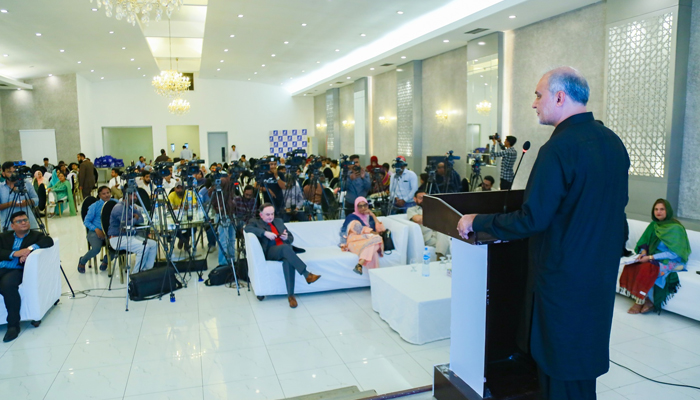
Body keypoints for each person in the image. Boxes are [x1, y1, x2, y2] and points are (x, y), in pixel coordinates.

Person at [457, 67, 629, 400]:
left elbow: (531, 219)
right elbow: (614, 213)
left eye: (538, 95)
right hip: (600, 278)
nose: (534, 103)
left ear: (560, 97)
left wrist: (478, 221)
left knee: (558, 371)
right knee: (582, 367)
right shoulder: (612, 142)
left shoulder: (559, 149)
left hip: (562, 281)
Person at [619, 199, 691, 315]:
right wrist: (643, 253)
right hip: (654, 257)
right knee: (633, 265)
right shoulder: (654, 225)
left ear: (668, 210)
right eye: (656, 209)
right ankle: (647, 300)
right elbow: (645, 242)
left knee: (648, 269)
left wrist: (650, 257)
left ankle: (640, 301)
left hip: (673, 261)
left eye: (662, 209)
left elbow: (675, 253)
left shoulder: (675, 228)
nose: (659, 212)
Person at [245, 204, 321, 308]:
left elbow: (290, 238)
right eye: (267, 214)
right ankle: (306, 274)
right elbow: (247, 228)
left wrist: (286, 238)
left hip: (286, 250)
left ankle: (291, 296)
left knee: (288, 259)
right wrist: (265, 233)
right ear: (261, 215)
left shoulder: (279, 221)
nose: (270, 217)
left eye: (272, 214)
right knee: (286, 249)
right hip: (270, 251)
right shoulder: (255, 222)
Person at [0, 211, 54, 342]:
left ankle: (13, 325)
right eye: (19, 221)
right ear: (12, 226)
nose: (23, 222)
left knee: (7, 285)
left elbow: (49, 241)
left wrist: (29, 249)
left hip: (17, 270)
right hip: (2, 267)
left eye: (25, 220)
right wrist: (15, 253)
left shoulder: (36, 235)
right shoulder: (4, 236)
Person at [108, 190, 158, 273]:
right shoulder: (119, 208)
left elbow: (141, 219)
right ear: (126, 196)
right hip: (118, 238)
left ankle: (146, 270)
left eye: (136, 196)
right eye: (133, 196)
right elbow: (126, 225)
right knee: (143, 247)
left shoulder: (131, 206)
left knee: (153, 244)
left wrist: (133, 219)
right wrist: (135, 218)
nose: (135, 198)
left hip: (130, 235)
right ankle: (136, 274)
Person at [339, 196, 385, 275]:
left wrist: (372, 215)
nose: (363, 208)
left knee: (376, 243)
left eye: (365, 205)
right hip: (354, 240)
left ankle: (360, 264)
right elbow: (358, 229)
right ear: (356, 207)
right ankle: (377, 277)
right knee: (377, 240)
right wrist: (371, 232)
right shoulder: (352, 217)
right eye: (360, 206)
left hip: (368, 240)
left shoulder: (368, 217)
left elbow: (381, 230)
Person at [78, 186, 113, 273]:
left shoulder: (114, 203)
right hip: (95, 231)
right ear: (99, 195)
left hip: (110, 232)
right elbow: (86, 221)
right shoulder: (94, 206)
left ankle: (105, 261)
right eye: (103, 194)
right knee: (96, 249)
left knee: (118, 247)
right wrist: (96, 229)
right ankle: (82, 260)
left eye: (108, 193)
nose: (106, 195)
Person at [407, 190, 450, 258]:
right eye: (421, 198)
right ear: (415, 199)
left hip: (437, 234)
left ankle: (440, 259)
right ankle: (442, 261)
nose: (423, 200)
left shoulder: (434, 208)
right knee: (445, 242)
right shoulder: (412, 210)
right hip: (427, 236)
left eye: (425, 198)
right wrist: (435, 217)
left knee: (444, 236)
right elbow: (417, 219)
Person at [0, 162, 40, 231]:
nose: (13, 174)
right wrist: (10, 204)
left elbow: (36, 199)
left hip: (28, 222)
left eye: (15, 171)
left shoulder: (26, 183)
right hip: (9, 225)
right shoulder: (1, 187)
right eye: (9, 172)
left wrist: (28, 202)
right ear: (3, 173)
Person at [209, 170, 238, 266]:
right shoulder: (216, 189)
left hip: (231, 214)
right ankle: (223, 263)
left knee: (232, 239)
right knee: (224, 241)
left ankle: (232, 261)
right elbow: (211, 196)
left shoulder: (230, 188)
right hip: (222, 215)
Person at [168, 183, 197, 249]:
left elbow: (195, 204)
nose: (180, 190)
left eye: (182, 188)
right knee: (175, 227)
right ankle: (184, 240)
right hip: (176, 218)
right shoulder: (172, 195)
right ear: (175, 189)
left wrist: (188, 206)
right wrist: (179, 207)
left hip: (189, 216)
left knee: (193, 227)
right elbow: (168, 207)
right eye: (178, 188)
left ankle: (183, 239)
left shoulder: (189, 193)